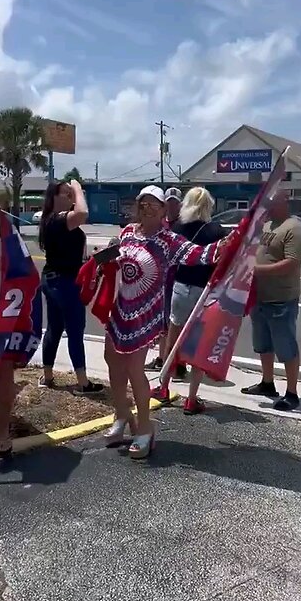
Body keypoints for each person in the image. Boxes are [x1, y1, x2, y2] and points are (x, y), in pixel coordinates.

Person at [101, 185, 236, 459]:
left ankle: (146, 429)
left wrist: (228, 242)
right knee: (112, 363)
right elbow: (115, 260)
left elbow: (200, 255)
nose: (147, 208)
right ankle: (123, 416)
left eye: (154, 204)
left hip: (145, 314)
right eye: (143, 203)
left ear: (164, 210)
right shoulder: (127, 233)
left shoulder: (169, 240)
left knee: (135, 369)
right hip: (120, 309)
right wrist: (102, 256)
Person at [0, 188, 39, 459]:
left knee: (3, 375)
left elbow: (29, 274)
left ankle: (3, 434)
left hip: (0, 318)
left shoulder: (6, 234)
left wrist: (4, 264)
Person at [155, 187, 226, 414]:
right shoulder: (216, 231)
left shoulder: (177, 228)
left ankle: (163, 387)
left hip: (179, 287)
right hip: (203, 291)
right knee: (198, 346)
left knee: (172, 340)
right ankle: (191, 399)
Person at [36, 179, 103, 392]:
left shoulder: (52, 220)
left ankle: (47, 376)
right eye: (65, 194)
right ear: (53, 197)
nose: (71, 198)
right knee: (75, 330)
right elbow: (83, 213)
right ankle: (83, 382)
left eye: (70, 194)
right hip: (64, 282)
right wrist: (76, 187)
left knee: (55, 328)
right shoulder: (58, 219)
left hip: (54, 278)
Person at [240, 196, 301, 411]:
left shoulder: (294, 228)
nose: (267, 204)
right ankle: (267, 383)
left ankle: (292, 393)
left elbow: (291, 264)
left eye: (272, 200)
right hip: (259, 296)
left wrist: (256, 270)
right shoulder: (267, 225)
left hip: (281, 299)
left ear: (284, 201)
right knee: (263, 345)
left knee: (286, 347)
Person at [146, 186, 185, 375]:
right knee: (161, 322)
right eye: (168, 202)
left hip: (175, 280)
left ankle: (174, 361)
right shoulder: (161, 224)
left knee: (172, 322)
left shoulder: (181, 226)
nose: (171, 206)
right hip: (159, 280)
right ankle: (162, 358)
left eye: (175, 203)